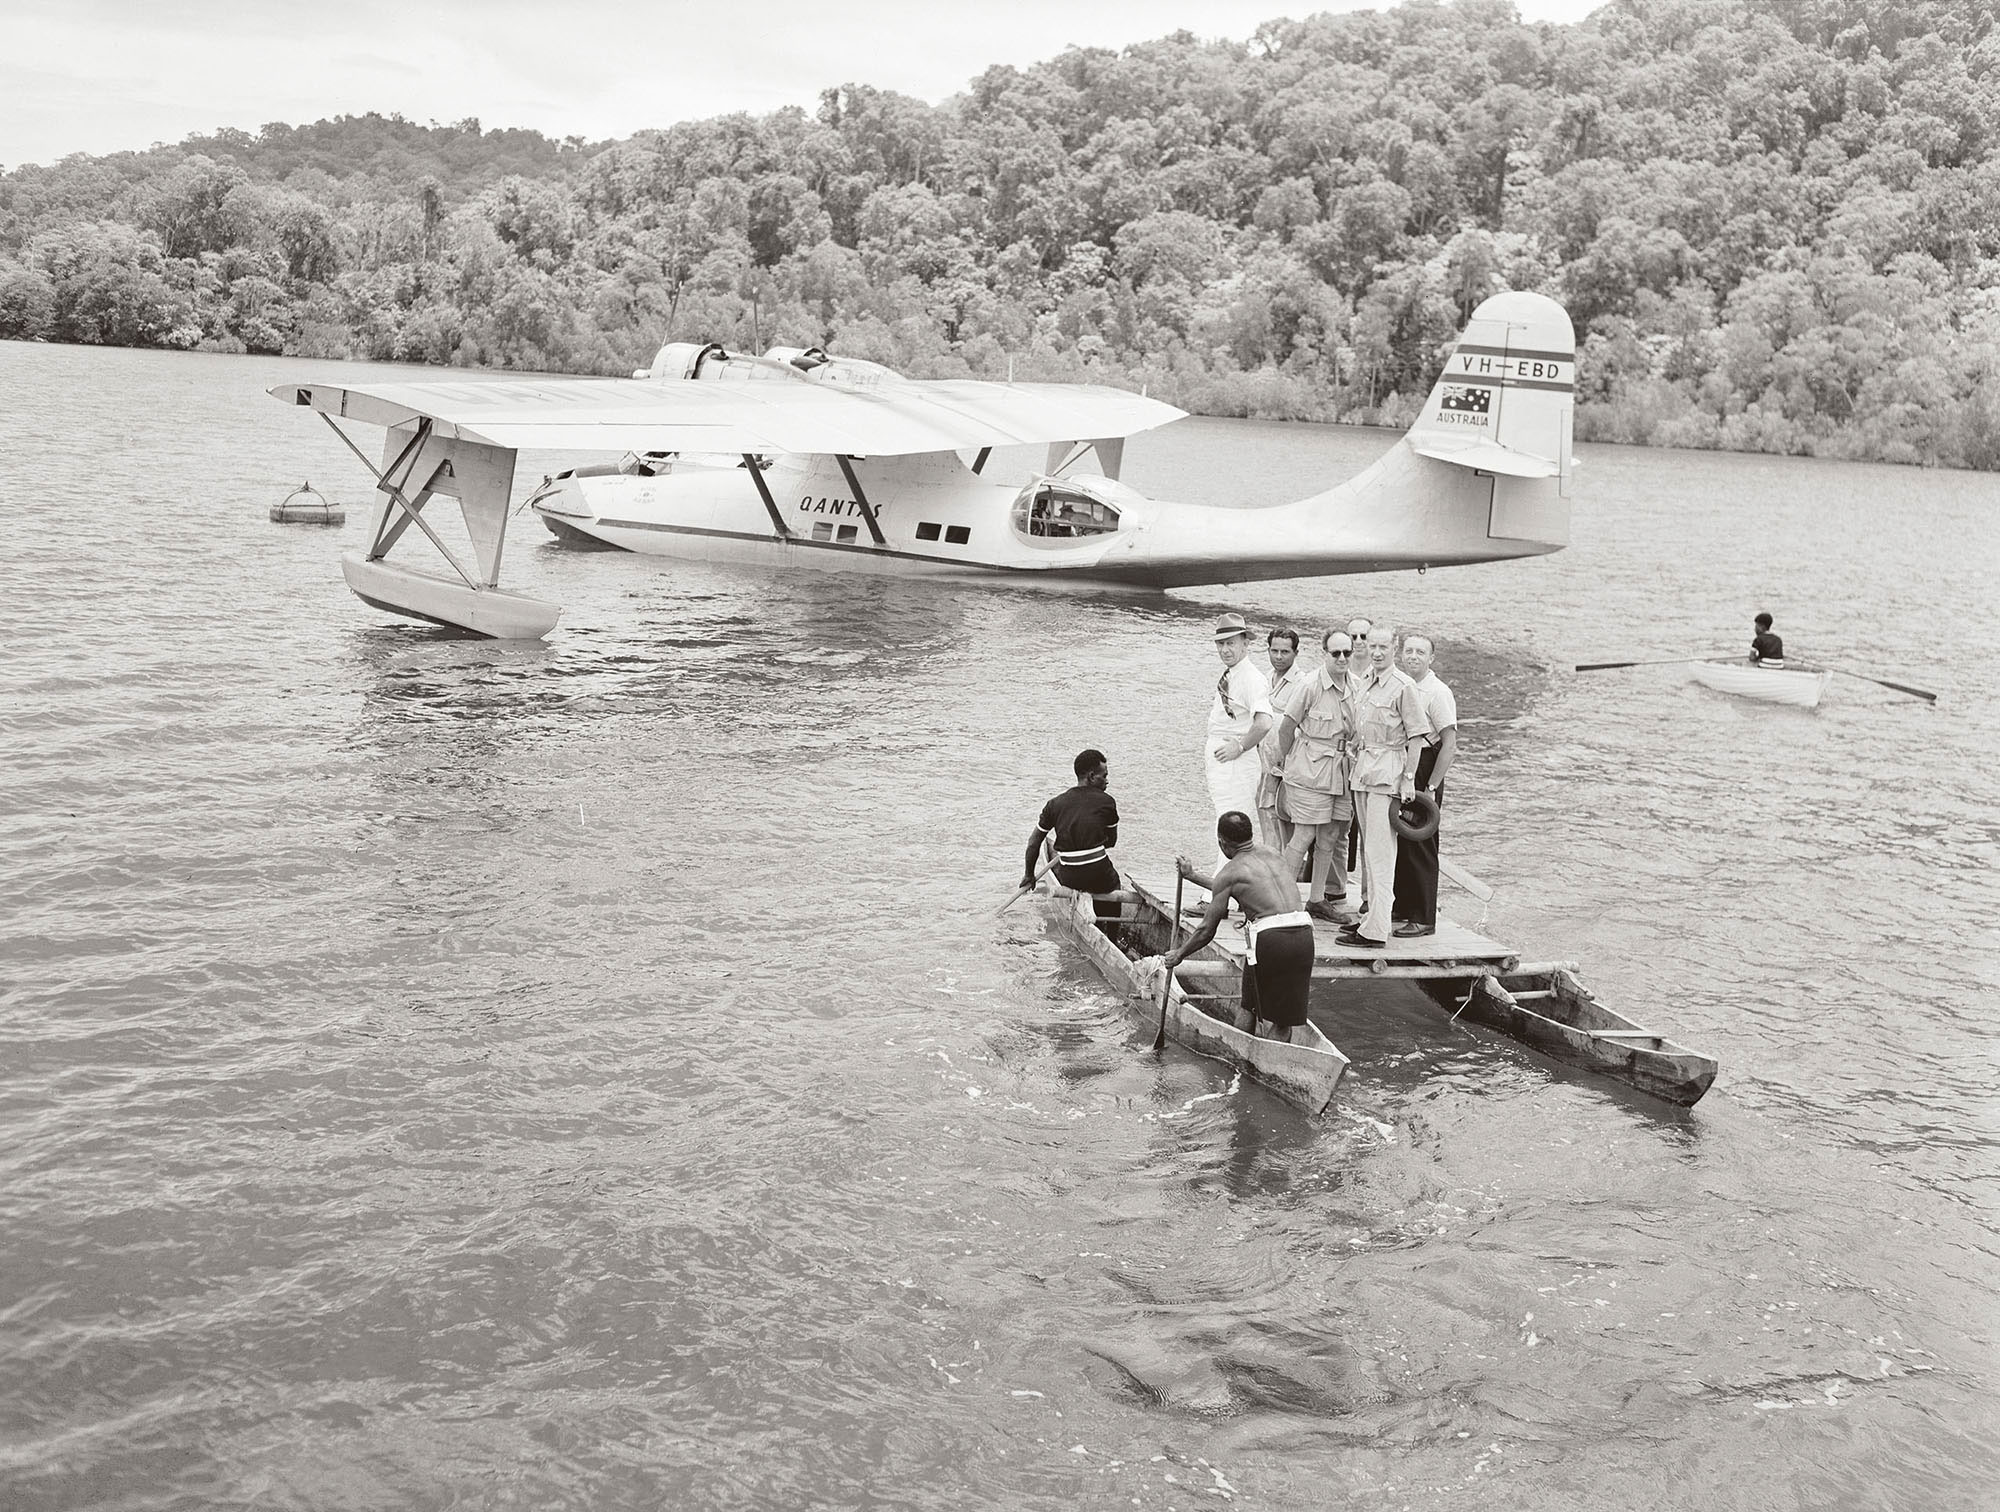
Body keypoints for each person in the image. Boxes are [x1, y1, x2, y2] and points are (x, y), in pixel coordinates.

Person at [1151, 812, 1317, 1045]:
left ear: (1222, 842)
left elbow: (1207, 930)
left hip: (1269, 939)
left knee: (1248, 1007)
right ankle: (1273, 1061)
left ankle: (1239, 1063)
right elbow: (1247, 886)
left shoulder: (1230, 873)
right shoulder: (1273, 854)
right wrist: (1192, 876)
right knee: (1282, 1022)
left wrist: (1178, 955)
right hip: (1303, 934)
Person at [1339, 623, 1429, 950]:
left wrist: (1408, 778)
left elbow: (1417, 736)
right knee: (1368, 852)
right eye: (1372, 647)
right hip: (1363, 771)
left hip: (1387, 775)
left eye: (1383, 647)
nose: (1376, 652)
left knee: (1380, 854)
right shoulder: (1365, 682)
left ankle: (1377, 930)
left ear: (1394, 649)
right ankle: (1370, 920)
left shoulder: (1403, 686)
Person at [1274, 628, 1357, 923]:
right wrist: (1289, 764)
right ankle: (1281, 900)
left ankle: (1317, 900)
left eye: (1347, 652)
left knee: (1331, 836)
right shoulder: (1309, 685)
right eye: (1336, 653)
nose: (1342, 658)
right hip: (1309, 772)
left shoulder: (1356, 687)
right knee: (1304, 835)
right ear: (1325, 654)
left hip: (1341, 773)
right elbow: (1286, 729)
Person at [1390, 632, 1457, 938]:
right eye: (1409, 651)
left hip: (1426, 768)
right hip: (1403, 762)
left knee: (1422, 844)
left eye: (1421, 652)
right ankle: (1402, 907)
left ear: (1431, 658)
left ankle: (1424, 916)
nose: (1413, 656)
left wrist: (1431, 786)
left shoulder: (1437, 692)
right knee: (1402, 841)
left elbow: (1449, 745)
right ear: (1401, 654)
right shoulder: (1401, 685)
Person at [1023, 747, 1121, 939]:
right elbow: (1111, 842)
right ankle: (1113, 937)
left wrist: (1029, 875)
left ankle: (1091, 922)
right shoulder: (1107, 802)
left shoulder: (1055, 804)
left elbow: (1034, 842)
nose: (1107, 780)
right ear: (1092, 776)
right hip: (1100, 875)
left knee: (1082, 872)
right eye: (1104, 776)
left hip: (1070, 878)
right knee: (1114, 884)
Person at [1205, 614, 1273, 869]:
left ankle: (1219, 894)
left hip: (1236, 761)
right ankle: (1227, 889)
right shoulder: (1233, 674)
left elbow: (1265, 722)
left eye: (1231, 643)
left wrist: (1240, 746)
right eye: (1220, 644)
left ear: (1246, 643)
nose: (1225, 649)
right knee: (1223, 822)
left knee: (1230, 826)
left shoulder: (1251, 678)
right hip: (1223, 760)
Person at [1255, 628, 1306, 851]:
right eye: (1274, 650)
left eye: (1285, 651)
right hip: (1264, 764)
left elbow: (1299, 729)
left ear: (1296, 653)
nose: (1278, 656)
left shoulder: (1301, 684)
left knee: (1285, 820)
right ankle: (1272, 867)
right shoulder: (1265, 679)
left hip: (1287, 767)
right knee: (1265, 814)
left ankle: (1287, 873)